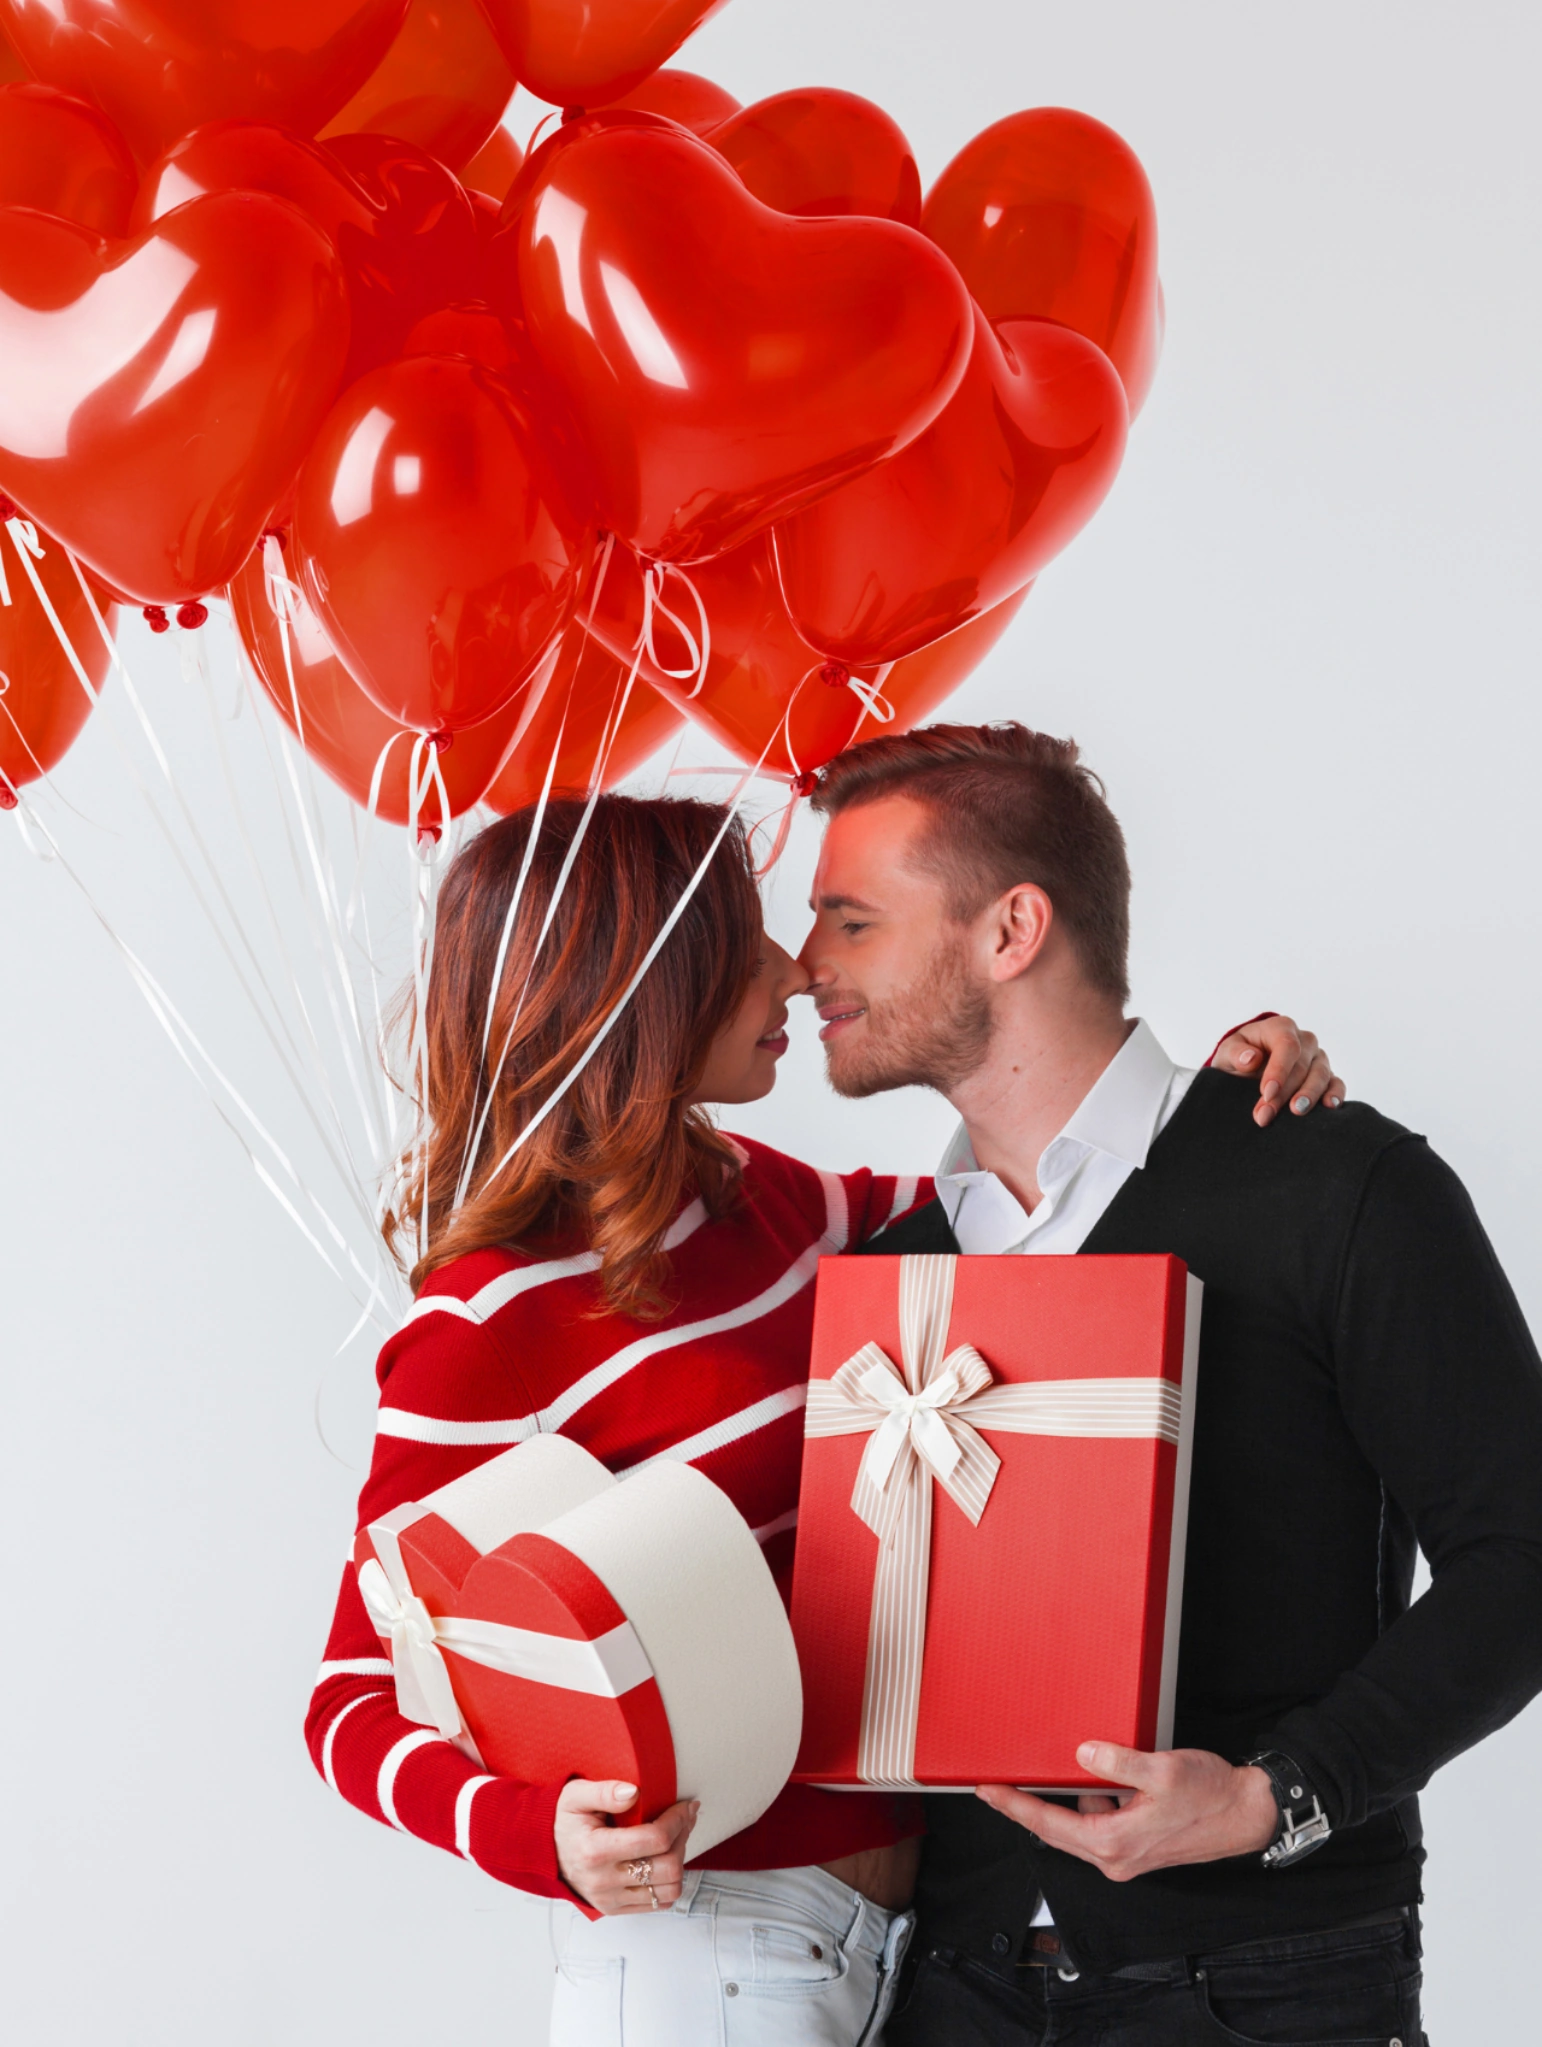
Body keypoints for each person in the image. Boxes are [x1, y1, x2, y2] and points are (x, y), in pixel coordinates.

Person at [305, 790, 1337, 2047]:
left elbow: (1053, 1198)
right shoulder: (486, 1321)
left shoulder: (771, 1206)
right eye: (747, 938)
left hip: (912, 1956)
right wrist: (540, 1837)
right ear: (646, 983)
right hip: (704, 1956)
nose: (797, 971)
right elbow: (352, 1696)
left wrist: (1209, 1104)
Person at [796, 721, 1542, 2047]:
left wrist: (1274, 1794)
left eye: (849, 922)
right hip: (952, 1989)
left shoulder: (1333, 1183)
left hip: (1269, 1983)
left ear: (1009, 928)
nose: (808, 968)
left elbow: (1520, 1555)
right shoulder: (892, 1266)